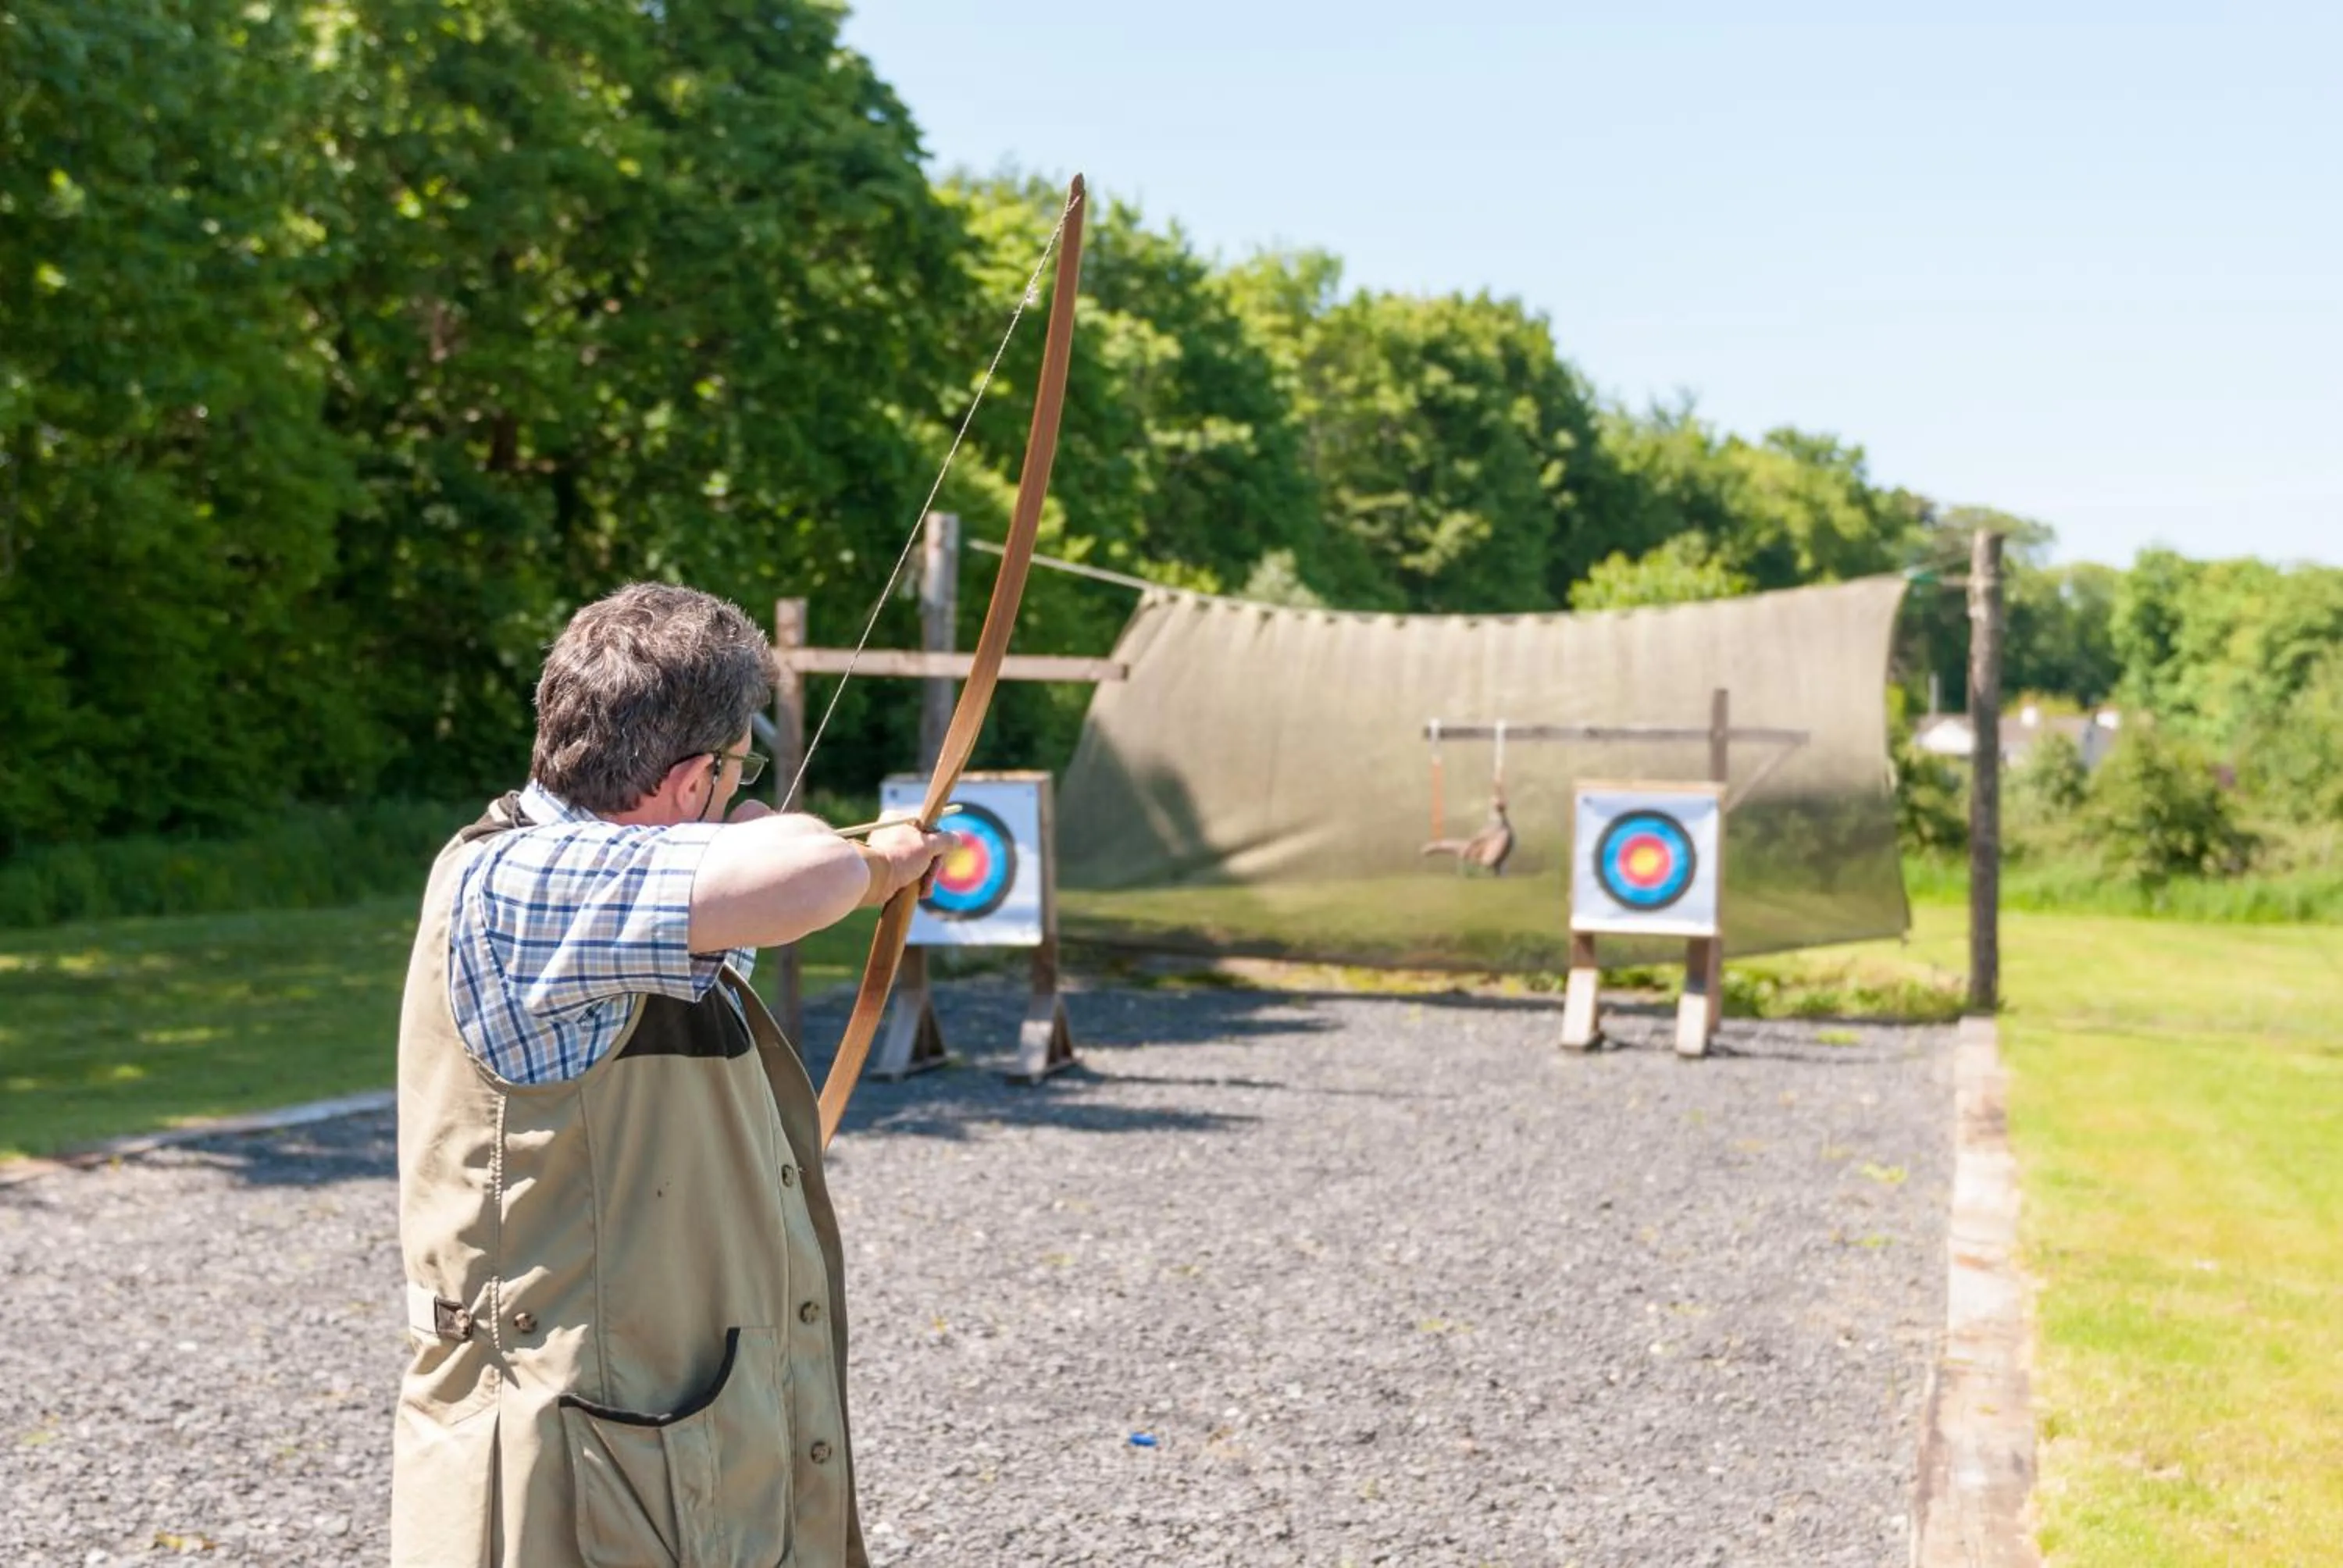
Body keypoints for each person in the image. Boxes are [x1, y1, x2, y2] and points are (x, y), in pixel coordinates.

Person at [390, 583, 951, 1567]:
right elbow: (805, 875)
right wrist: (871, 867)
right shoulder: (520, 883)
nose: (743, 790)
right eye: (739, 768)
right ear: (694, 780)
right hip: (566, 1480)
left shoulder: (620, 891)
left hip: (658, 1453)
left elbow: (761, 870)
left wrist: (856, 856)